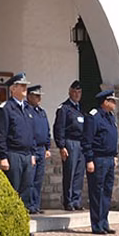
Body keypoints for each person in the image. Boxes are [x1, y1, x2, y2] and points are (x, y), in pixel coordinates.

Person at [0, 72, 37, 212]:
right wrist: (3, 157)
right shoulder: (5, 108)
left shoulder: (28, 109)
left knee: (26, 191)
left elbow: (32, 134)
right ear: (13, 88)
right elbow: (0, 134)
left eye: (26, 86)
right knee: (13, 190)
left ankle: (23, 224)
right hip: (13, 154)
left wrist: (33, 154)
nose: (25, 89)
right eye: (22, 86)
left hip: (26, 155)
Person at [83, 90, 119, 235]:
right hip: (98, 159)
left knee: (107, 192)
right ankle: (96, 225)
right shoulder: (94, 117)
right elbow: (87, 141)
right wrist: (89, 160)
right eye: (112, 101)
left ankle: (104, 222)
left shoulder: (110, 117)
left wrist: (115, 155)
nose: (115, 103)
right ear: (105, 102)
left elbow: (112, 138)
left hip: (109, 159)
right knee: (97, 193)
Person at [53, 80, 86, 211]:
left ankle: (76, 200)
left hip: (80, 144)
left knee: (79, 173)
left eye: (79, 92)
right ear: (70, 92)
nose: (77, 94)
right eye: (75, 92)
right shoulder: (64, 108)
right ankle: (68, 201)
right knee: (69, 173)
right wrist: (61, 146)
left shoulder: (80, 109)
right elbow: (59, 128)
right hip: (70, 142)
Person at [27, 84, 51, 215]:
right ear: (29, 96)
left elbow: (46, 130)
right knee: (30, 178)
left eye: (39, 96)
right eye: (36, 96)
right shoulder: (27, 111)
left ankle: (36, 205)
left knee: (38, 179)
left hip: (41, 149)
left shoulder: (41, 112)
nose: (39, 98)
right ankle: (30, 205)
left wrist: (47, 146)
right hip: (32, 149)